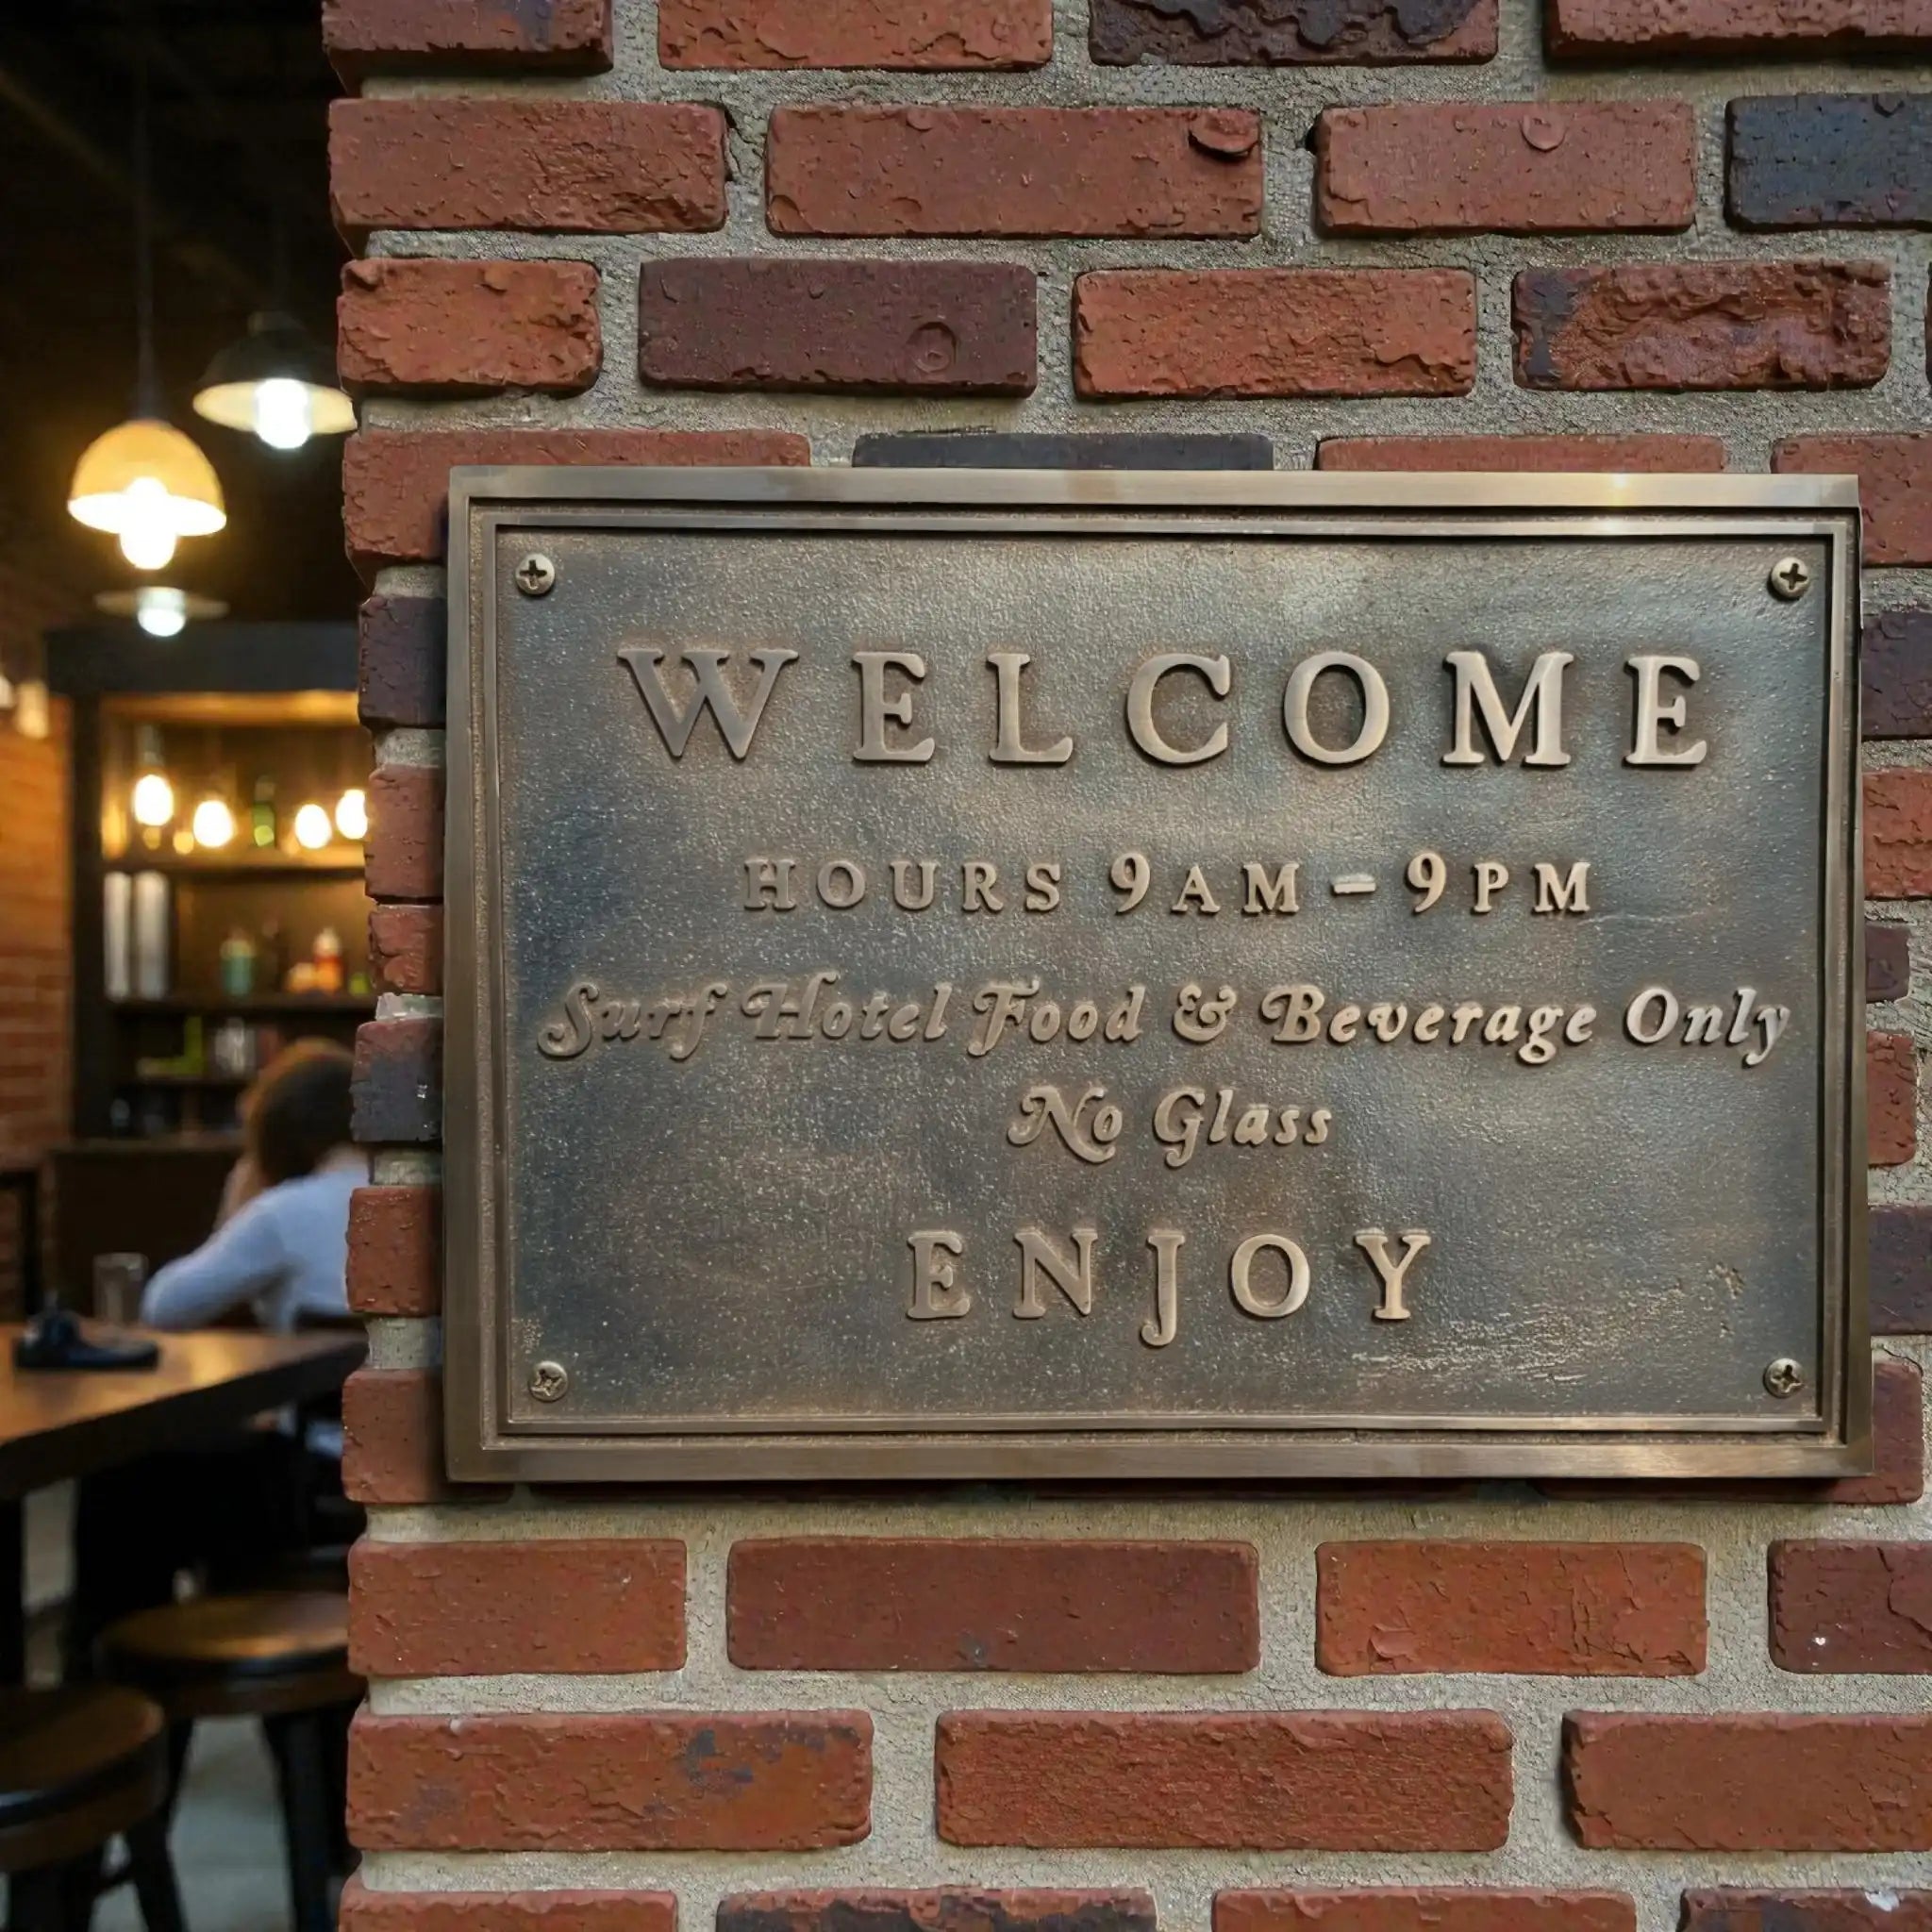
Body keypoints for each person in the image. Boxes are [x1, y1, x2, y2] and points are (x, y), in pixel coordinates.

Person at [66, 1041, 365, 1673]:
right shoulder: (415, 1196)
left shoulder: (281, 1213)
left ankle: (109, 1690)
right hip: (382, 1472)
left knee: (123, 1483)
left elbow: (166, 1306)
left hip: (309, 1482)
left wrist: (238, 1205)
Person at [141, 1038, 365, 1332]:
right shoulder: (431, 1200)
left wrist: (232, 1221)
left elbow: (164, 1308)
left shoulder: (283, 1214)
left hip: (321, 1379)